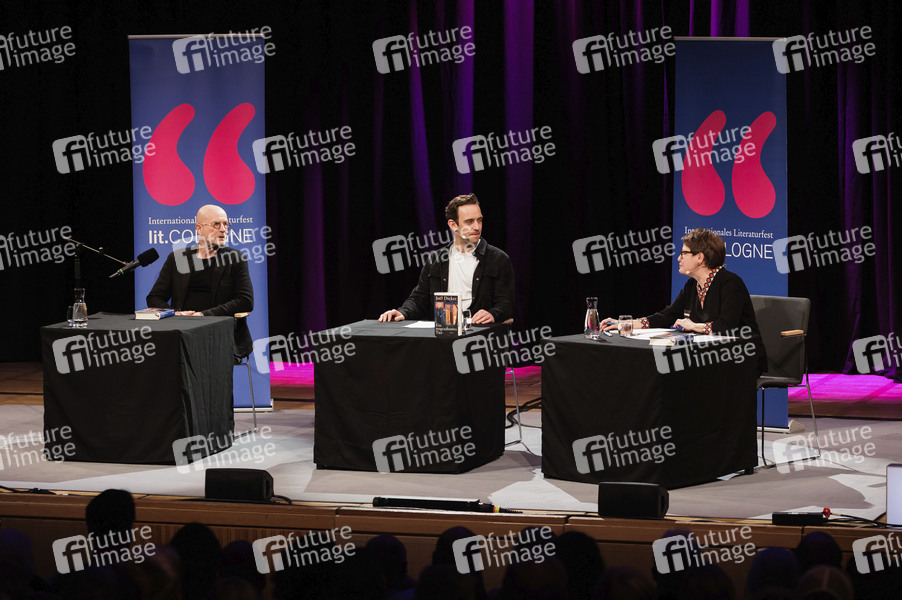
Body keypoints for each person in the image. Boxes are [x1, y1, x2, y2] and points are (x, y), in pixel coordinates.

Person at [603, 228, 767, 373]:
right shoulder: (692, 285)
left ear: (700, 257)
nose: (678, 258)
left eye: (683, 253)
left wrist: (694, 326)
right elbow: (667, 316)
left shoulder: (730, 283)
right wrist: (627, 324)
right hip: (710, 357)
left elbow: (726, 326)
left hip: (742, 357)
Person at [378, 193, 514, 324]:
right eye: (469, 222)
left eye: (479, 220)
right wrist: (403, 312)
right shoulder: (436, 259)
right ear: (453, 225)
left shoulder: (498, 259)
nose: (477, 227)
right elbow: (420, 297)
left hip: (479, 331)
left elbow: (506, 302)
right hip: (443, 331)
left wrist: (493, 314)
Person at [147, 204, 254, 360]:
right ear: (199, 229)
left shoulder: (235, 258)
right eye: (216, 224)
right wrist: (175, 314)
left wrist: (202, 315)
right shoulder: (178, 259)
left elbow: (245, 301)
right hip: (181, 331)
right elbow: (154, 297)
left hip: (219, 333)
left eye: (226, 224)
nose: (223, 229)